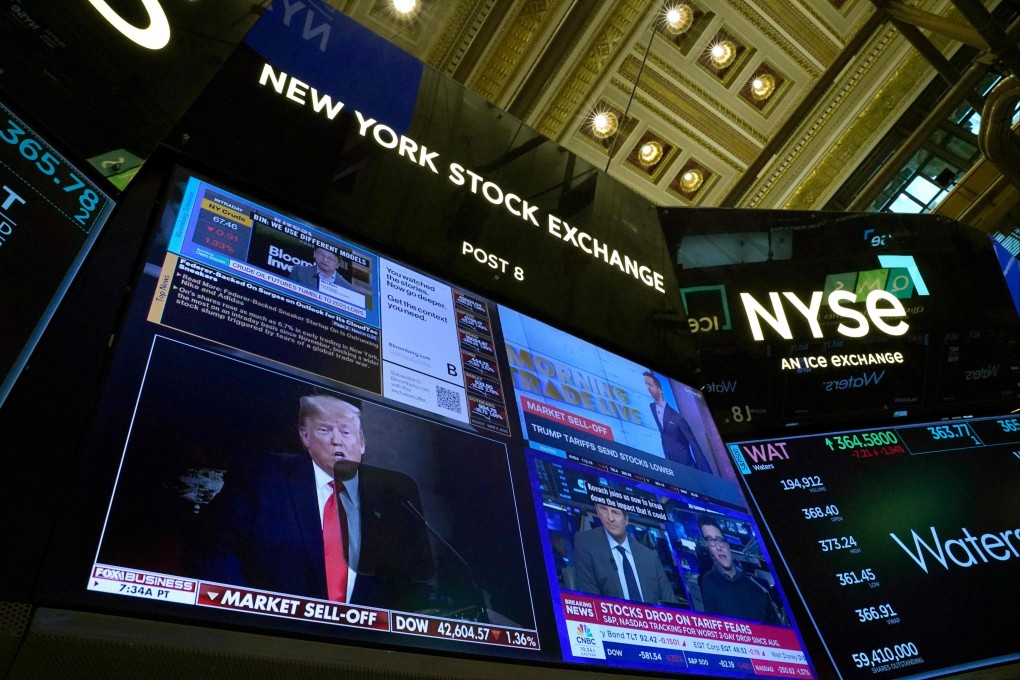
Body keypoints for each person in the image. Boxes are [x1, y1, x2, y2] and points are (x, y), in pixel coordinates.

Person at [191, 395, 436, 612]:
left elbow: (399, 587)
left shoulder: (386, 500)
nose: (337, 441)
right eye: (325, 430)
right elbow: (213, 550)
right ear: (304, 436)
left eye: (346, 431)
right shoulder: (264, 478)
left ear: (361, 442)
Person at [572, 502, 683, 606]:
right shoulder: (585, 543)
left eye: (615, 512)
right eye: (604, 510)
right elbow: (591, 601)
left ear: (626, 519)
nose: (610, 518)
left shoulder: (649, 556)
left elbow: (670, 604)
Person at [697, 515, 781, 625]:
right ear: (708, 548)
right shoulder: (708, 581)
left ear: (727, 545)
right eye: (710, 540)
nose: (718, 547)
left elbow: (777, 626)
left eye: (719, 540)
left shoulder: (756, 586)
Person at [643, 371, 711, 472]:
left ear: (659, 389)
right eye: (646, 384)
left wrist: (706, 474)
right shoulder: (651, 408)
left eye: (650, 385)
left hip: (687, 467)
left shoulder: (678, 418)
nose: (648, 388)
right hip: (670, 467)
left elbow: (694, 446)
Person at [289, 246, 354, 292]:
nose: (325, 260)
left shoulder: (348, 288)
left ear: (338, 264)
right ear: (314, 254)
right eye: (321, 254)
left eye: (330, 258)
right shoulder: (299, 271)